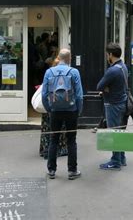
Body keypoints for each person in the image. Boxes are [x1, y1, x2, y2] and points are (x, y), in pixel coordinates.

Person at [42, 49, 83, 180]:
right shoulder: (74, 72)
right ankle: (72, 171)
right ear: (69, 58)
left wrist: (49, 108)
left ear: (58, 58)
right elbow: (79, 95)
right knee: (71, 140)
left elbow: (43, 95)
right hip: (71, 110)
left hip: (55, 111)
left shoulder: (49, 72)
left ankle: (51, 170)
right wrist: (78, 110)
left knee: (54, 140)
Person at [96, 43, 128, 170]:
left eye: (107, 54)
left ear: (110, 54)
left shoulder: (112, 70)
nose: (106, 57)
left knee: (114, 133)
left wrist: (106, 88)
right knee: (119, 132)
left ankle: (115, 161)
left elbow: (99, 86)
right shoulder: (123, 66)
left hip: (113, 104)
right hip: (122, 102)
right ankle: (121, 157)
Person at [39, 57, 69, 159]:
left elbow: (44, 94)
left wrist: (47, 108)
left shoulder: (48, 74)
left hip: (49, 107)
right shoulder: (65, 77)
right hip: (61, 108)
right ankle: (61, 149)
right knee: (60, 129)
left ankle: (46, 149)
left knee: (47, 129)